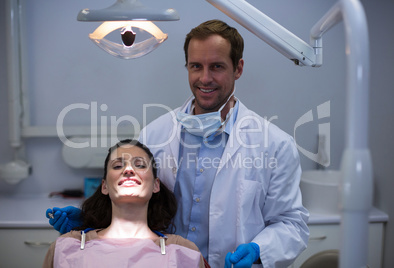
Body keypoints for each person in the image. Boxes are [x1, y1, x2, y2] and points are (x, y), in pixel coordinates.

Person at [47, 20, 309, 268]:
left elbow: (291, 225)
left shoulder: (274, 145)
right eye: (196, 66)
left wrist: (258, 250)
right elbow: (136, 206)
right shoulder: (154, 136)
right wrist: (91, 220)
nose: (204, 78)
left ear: (238, 68)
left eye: (216, 66)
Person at [43, 139, 206, 268]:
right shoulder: (66, 247)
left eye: (140, 165)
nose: (128, 170)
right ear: (104, 186)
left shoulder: (183, 251)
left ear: (156, 185)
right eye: (118, 165)